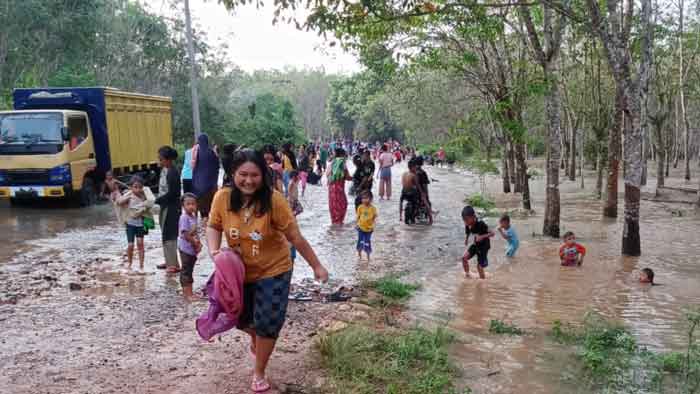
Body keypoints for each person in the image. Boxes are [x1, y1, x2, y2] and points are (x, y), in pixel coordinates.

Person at [206, 149, 329, 393]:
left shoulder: (274, 201)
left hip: (275, 269)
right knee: (240, 319)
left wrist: (316, 265)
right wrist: (215, 252)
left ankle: (259, 371)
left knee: (268, 322)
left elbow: (295, 237)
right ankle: (257, 337)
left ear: (263, 175)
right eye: (243, 175)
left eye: (255, 175)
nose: (249, 181)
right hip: (238, 272)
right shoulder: (222, 197)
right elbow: (213, 225)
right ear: (233, 174)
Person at [155, 146, 182, 274]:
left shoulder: (173, 173)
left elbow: (173, 193)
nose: (159, 161)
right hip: (166, 206)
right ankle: (169, 261)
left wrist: (157, 200)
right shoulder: (167, 170)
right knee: (165, 233)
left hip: (171, 208)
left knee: (169, 234)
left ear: (168, 160)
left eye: (161, 159)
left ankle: (173, 265)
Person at [116, 176, 152, 273]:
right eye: (135, 187)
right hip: (130, 224)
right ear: (131, 187)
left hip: (140, 224)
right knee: (131, 245)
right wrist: (128, 196)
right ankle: (130, 264)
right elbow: (119, 202)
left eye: (140, 187)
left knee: (140, 244)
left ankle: (141, 265)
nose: (138, 189)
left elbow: (151, 203)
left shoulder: (145, 197)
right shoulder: (129, 196)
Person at [192, 133, 220, 222]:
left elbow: (193, 167)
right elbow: (216, 166)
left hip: (198, 184)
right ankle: (207, 220)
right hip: (209, 184)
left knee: (200, 202)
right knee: (209, 204)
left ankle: (200, 218)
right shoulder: (211, 152)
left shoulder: (197, 153)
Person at [178, 193, 201, 299]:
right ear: (183, 205)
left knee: (190, 270)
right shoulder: (184, 217)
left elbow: (195, 232)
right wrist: (194, 243)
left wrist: (199, 244)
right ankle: (187, 293)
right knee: (186, 270)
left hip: (192, 249)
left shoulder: (193, 217)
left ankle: (190, 292)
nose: (191, 206)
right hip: (186, 248)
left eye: (193, 204)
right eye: (188, 204)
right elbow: (185, 234)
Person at [462, 206, 494, 279]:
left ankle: (482, 282)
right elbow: (468, 232)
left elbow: (492, 233)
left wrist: (482, 237)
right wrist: (466, 239)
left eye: (466, 220)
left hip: (484, 246)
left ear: (473, 217)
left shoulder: (481, 224)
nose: (465, 222)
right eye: (464, 220)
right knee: (464, 258)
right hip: (476, 244)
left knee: (479, 267)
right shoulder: (468, 224)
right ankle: (468, 275)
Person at [327, 148, 352, 225]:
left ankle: (334, 222)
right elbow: (347, 176)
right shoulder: (342, 162)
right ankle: (340, 222)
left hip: (331, 187)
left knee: (333, 204)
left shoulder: (331, 163)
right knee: (343, 204)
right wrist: (354, 178)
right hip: (339, 187)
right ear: (342, 155)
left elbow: (327, 175)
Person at [356, 191, 377, 262]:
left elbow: (374, 217)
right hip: (360, 228)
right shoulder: (360, 207)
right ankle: (359, 255)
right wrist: (357, 225)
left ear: (371, 199)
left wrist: (372, 224)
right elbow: (358, 217)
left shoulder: (373, 208)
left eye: (366, 198)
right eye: (363, 198)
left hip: (369, 229)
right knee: (360, 241)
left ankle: (368, 257)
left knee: (367, 242)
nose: (364, 200)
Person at [399, 160, 420, 224]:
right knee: (416, 202)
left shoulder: (404, 173)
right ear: (412, 167)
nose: (416, 168)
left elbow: (403, 184)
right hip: (411, 194)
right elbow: (418, 186)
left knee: (401, 201)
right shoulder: (414, 175)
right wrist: (422, 193)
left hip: (404, 192)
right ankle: (413, 215)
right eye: (415, 167)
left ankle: (400, 216)